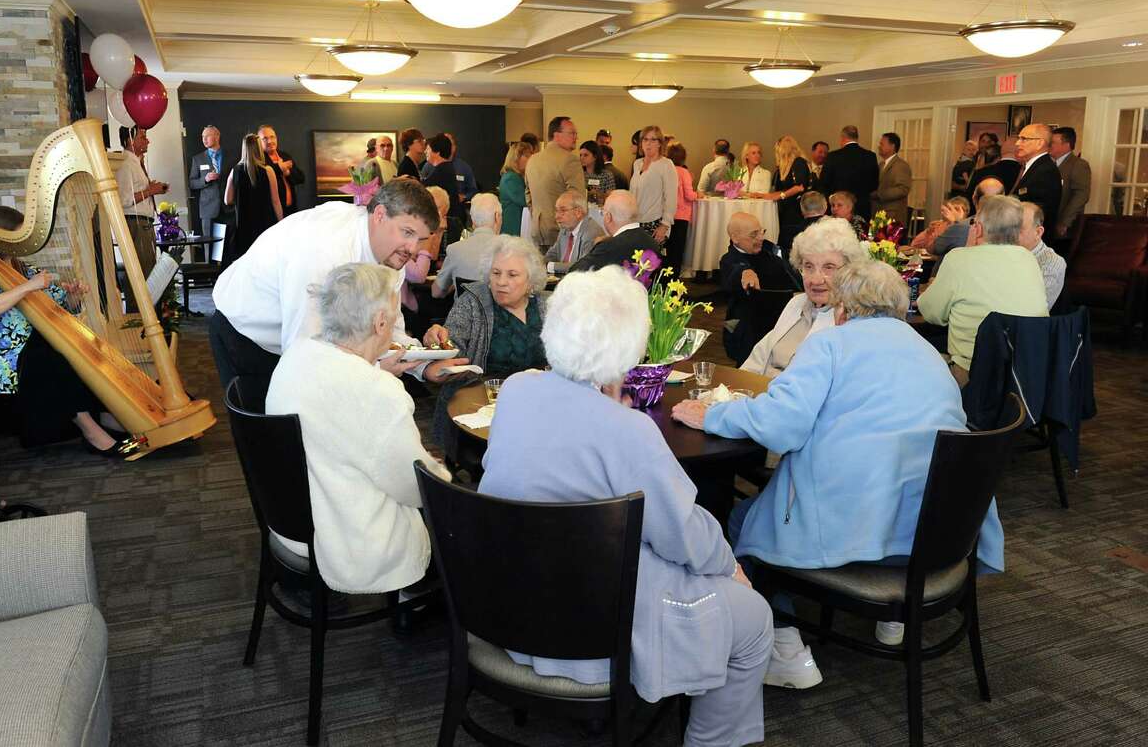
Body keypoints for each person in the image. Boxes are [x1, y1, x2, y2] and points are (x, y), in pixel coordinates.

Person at [481, 266, 774, 746]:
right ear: (628, 349)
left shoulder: (515, 391)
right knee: (754, 618)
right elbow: (681, 535)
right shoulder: (628, 431)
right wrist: (729, 565)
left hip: (506, 602)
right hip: (590, 626)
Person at [672, 260, 1002, 684]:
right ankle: (894, 618)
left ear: (843, 308)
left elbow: (780, 424)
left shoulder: (830, 345)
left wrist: (712, 415)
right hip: (940, 533)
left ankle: (784, 647)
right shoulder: (927, 352)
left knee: (741, 519)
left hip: (861, 529)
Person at [266, 263, 448, 593]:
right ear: (381, 323)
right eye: (394, 314)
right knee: (458, 517)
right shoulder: (376, 392)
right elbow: (415, 487)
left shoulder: (295, 356)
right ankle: (419, 608)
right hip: (348, 541)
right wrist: (444, 474)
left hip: (291, 523)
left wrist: (372, 369)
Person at [209, 178, 467, 392]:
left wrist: (425, 364)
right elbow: (304, 351)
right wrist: (372, 370)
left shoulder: (391, 255)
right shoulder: (323, 251)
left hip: (300, 344)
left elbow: (388, 329)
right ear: (379, 215)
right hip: (246, 333)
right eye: (407, 232)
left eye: (420, 239)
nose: (413, 250)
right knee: (278, 441)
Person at [0, 206, 136, 457]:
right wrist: (28, 287)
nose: (18, 245)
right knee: (49, 360)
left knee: (78, 351)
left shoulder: (20, 267)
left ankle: (105, 415)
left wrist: (72, 296)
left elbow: (57, 302)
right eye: (14, 239)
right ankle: (92, 431)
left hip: (29, 345)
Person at [425, 235, 549, 449]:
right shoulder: (472, 302)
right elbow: (453, 348)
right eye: (496, 273)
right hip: (480, 403)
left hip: (536, 404)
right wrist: (439, 341)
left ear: (530, 280)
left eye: (512, 275)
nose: (501, 282)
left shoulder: (546, 306)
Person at [918, 194, 1049, 386]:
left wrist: (967, 250)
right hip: (1024, 375)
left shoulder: (959, 260)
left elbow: (931, 313)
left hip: (974, 375)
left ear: (978, 228)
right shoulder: (1029, 260)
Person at [740, 217, 866, 378]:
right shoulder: (797, 303)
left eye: (829, 267)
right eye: (808, 266)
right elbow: (759, 357)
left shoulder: (850, 319)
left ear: (849, 270)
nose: (815, 279)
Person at [720, 211, 801, 364]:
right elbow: (736, 269)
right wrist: (745, 272)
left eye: (761, 231)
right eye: (754, 234)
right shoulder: (729, 260)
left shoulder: (769, 249)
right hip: (749, 330)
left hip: (780, 322)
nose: (761, 238)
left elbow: (789, 264)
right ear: (735, 238)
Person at [222, 132, 283, 269]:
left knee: (246, 264)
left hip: (243, 225)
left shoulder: (235, 171)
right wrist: (281, 224)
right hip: (265, 224)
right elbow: (275, 201)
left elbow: (227, 200)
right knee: (266, 263)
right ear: (259, 149)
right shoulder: (268, 171)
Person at [524, 115, 585, 250]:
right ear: (556, 135)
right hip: (562, 231)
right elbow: (579, 199)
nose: (576, 137)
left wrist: (539, 215)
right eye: (572, 133)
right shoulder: (570, 160)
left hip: (538, 229)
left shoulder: (533, 160)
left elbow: (528, 196)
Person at [114, 126, 164, 286]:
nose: (148, 141)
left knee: (148, 269)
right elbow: (124, 199)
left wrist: (152, 189)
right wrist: (150, 191)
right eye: (143, 137)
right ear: (130, 140)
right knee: (141, 274)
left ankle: (148, 309)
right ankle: (138, 310)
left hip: (143, 223)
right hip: (135, 223)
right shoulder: (126, 163)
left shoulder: (135, 162)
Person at [401, 186, 450, 337]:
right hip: (403, 306)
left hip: (412, 299)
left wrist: (438, 232)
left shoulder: (451, 227)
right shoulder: (402, 235)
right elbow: (418, 275)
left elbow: (432, 260)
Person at [570, 190, 658, 273]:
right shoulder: (653, 243)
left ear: (608, 217)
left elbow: (575, 272)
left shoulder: (609, 246)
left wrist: (596, 246)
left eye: (602, 213)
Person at [432, 192, 501, 298]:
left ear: (472, 221)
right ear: (497, 217)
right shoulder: (510, 251)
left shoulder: (455, 250)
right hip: (498, 314)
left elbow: (436, 292)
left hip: (464, 313)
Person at [759, 136, 809, 256]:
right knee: (782, 243)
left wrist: (780, 196)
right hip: (784, 211)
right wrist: (765, 196)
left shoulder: (799, 163)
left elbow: (799, 186)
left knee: (789, 243)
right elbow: (781, 189)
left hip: (794, 212)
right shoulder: (781, 169)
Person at [629, 125, 677, 250]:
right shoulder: (637, 164)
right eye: (645, 139)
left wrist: (664, 225)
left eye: (653, 139)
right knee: (633, 265)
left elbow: (671, 197)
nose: (648, 143)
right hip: (635, 222)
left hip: (655, 223)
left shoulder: (666, 164)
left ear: (660, 143)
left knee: (649, 266)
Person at [817, 125, 878, 221]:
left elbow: (823, 183)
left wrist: (831, 202)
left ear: (843, 138)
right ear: (857, 138)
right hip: (862, 207)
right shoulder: (870, 156)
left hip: (838, 209)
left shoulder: (833, 156)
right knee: (859, 234)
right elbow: (874, 185)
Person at [1012, 123, 1062, 235]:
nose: (1017, 143)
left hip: (1032, 238)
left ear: (1040, 143)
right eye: (1018, 138)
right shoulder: (1032, 167)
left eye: (1024, 139)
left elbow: (1039, 212)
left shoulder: (1046, 171)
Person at [935, 178, 1004, 257]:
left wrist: (955, 224)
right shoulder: (1014, 229)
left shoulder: (961, 227)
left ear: (974, 199)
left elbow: (936, 247)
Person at [1018, 201, 1067, 309]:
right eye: (1008, 228)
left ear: (1038, 232)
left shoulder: (1052, 262)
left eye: (1019, 229)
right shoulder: (1003, 252)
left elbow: (1032, 309)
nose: (1010, 234)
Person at [544, 190, 603, 275]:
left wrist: (549, 266)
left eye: (563, 211)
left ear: (578, 212)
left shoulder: (591, 233)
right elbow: (553, 253)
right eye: (556, 210)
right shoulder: (565, 228)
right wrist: (536, 264)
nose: (557, 216)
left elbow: (581, 266)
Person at [1049, 126, 1091, 245]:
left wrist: (1065, 222)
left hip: (1064, 229)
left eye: (1053, 143)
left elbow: (1081, 195)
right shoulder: (1049, 164)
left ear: (1066, 144)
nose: (1049, 146)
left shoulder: (1078, 165)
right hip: (1048, 225)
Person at [422, 133, 466, 245]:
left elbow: (423, 189)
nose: (425, 152)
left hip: (446, 226)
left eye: (428, 149)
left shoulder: (442, 171)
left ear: (437, 152)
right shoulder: (446, 168)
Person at [188, 125, 229, 241]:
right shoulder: (198, 159)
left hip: (228, 207)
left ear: (217, 137)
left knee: (228, 243)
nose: (204, 139)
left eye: (207, 136)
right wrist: (205, 179)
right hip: (208, 209)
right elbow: (192, 183)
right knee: (209, 244)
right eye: (202, 137)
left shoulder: (230, 155)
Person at [257, 124, 305, 217]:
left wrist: (288, 173)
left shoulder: (284, 156)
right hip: (270, 213)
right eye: (265, 139)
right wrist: (279, 168)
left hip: (290, 210)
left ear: (276, 138)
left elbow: (301, 178)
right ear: (259, 142)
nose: (270, 141)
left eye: (272, 137)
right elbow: (262, 180)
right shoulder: (258, 160)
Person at [665, 141, 697, 274]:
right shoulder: (684, 172)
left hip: (667, 215)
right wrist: (698, 194)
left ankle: (665, 277)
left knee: (667, 248)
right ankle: (674, 278)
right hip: (681, 216)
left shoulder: (666, 170)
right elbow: (689, 195)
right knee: (677, 250)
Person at [965, 136, 1020, 205]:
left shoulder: (981, 172)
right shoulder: (1023, 173)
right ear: (1019, 151)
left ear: (1002, 151)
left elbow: (968, 200)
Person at [873, 132, 912, 225]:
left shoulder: (901, 165)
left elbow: (903, 189)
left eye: (882, 144)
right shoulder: (881, 164)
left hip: (893, 215)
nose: (879, 146)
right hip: (879, 215)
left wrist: (880, 194)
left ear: (892, 146)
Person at [497, 140, 533, 237]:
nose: (530, 159)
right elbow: (525, 200)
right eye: (527, 155)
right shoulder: (511, 178)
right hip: (513, 229)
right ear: (516, 158)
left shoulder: (516, 177)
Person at [579, 139, 615, 205]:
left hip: (600, 210)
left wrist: (598, 195)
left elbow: (611, 198)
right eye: (580, 155)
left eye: (586, 155)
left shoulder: (606, 175)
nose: (582, 158)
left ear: (595, 157)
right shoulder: (579, 174)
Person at [445, 133, 478, 204]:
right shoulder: (430, 165)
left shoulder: (464, 167)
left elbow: (473, 190)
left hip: (458, 208)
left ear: (454, 147)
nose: (447, 147)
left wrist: (464, 197)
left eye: (450, 144)